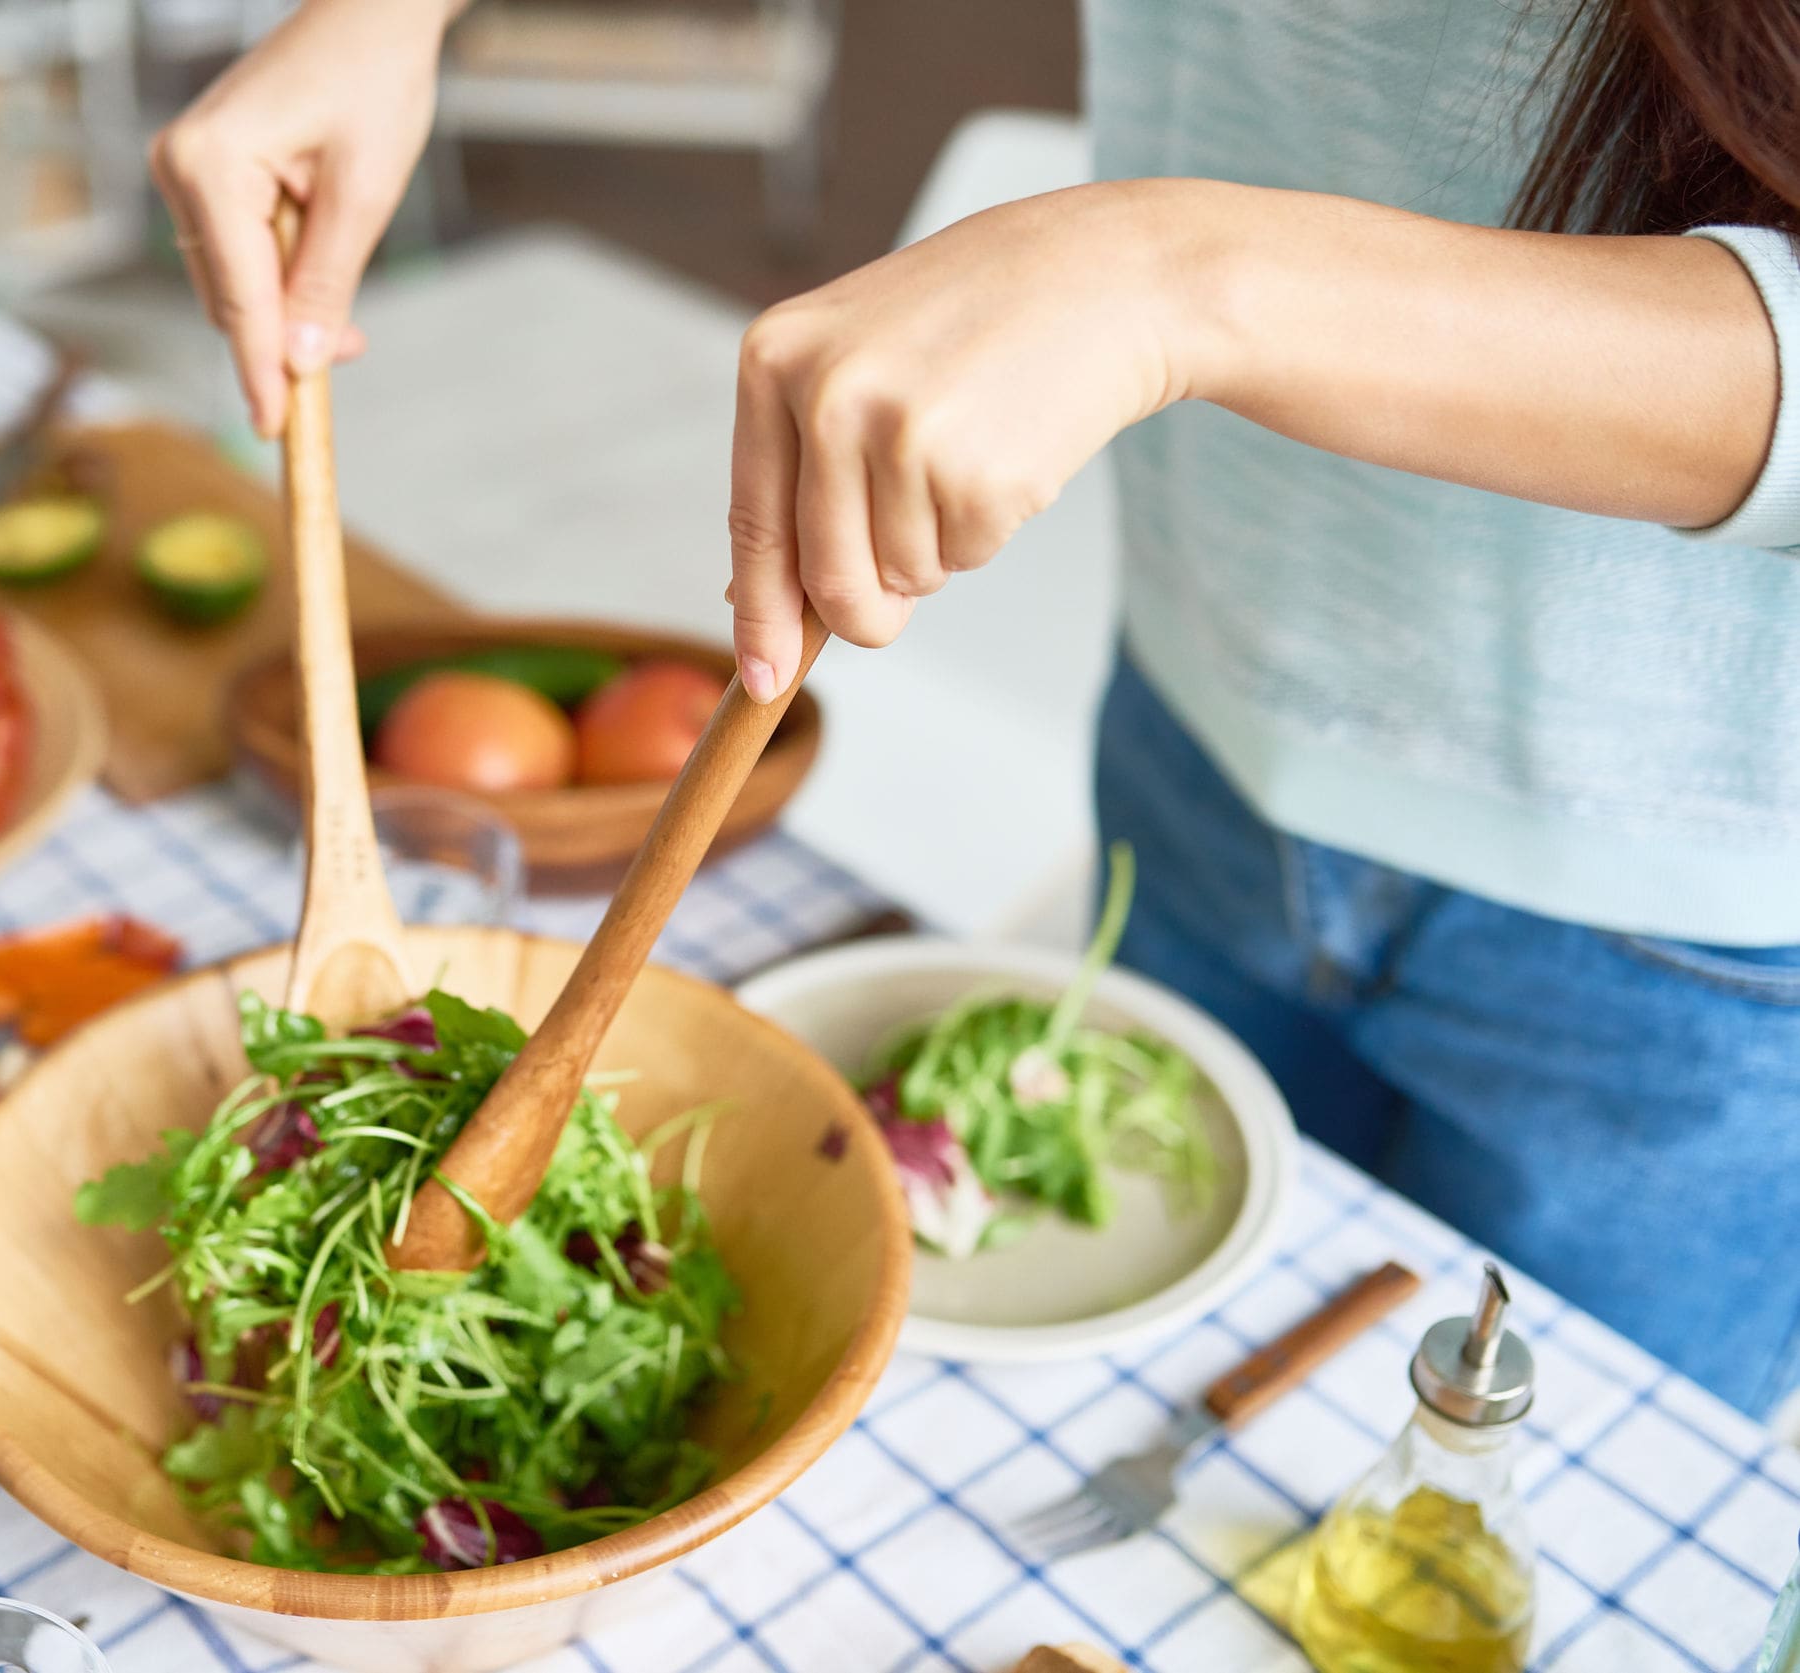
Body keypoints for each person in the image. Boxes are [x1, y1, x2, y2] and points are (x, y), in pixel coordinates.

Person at [150, 0, 1800, 1419]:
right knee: (1170, 1418)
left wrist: (1182, 272)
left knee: (1523, 1538)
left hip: (1690, 931)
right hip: (1203, 728)